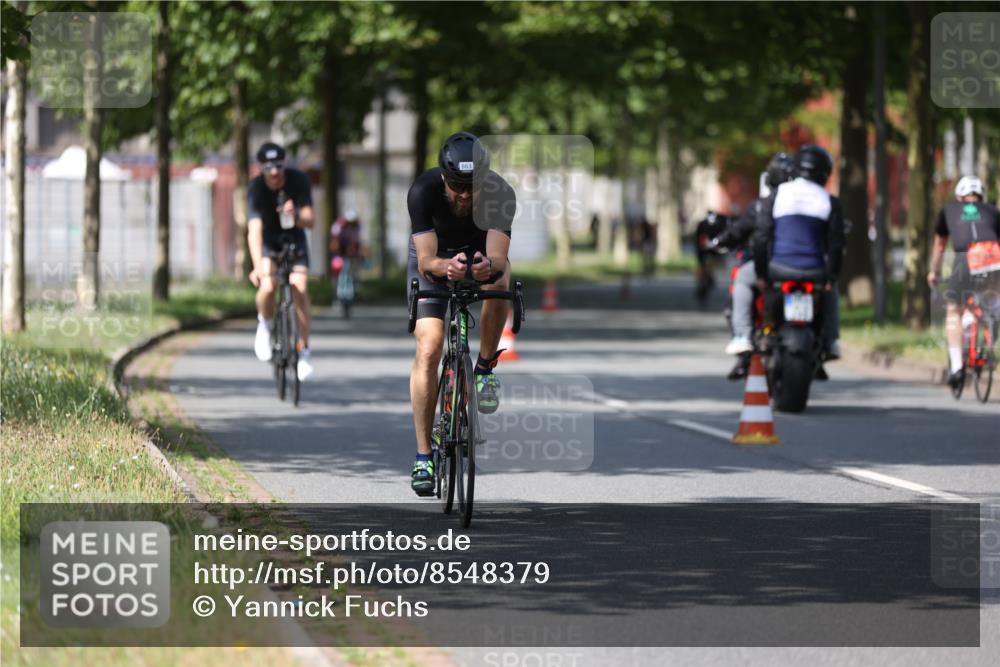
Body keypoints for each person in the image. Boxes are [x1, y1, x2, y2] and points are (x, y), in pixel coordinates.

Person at [406, 132, 516, 496]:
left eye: (472, 186)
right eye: (456, 186)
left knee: (501, 282)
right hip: (435, 257)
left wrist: (488, 266)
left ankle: (483, 368)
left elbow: (498, 257)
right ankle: (424, 456)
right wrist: (445, 266)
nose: (465, 195)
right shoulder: (423, 191)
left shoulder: (500, 193)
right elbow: (425, 260)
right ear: (443, 178)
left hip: (479, 253)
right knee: (429, 346)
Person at [752, 144, 845, 360]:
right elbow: (836, 244)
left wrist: (761, 273)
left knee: (766, 295)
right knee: (830, 293)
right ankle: (831, 341)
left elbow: (761, 236)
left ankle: (766, 331)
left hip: (779, 269)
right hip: (815, 271)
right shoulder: (829, 201)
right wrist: (831, 277)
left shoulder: (777, 195)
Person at [714, 152, 794, 377]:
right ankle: (830, 340)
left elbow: (747, 235)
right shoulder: (810, 203)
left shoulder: (762, 206)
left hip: (772, 266)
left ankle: (742, 335)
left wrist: (720, 241)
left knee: (741, 278)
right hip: (804, 266)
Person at [248, 142, 316, 381]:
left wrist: (294, 214)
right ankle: (265, 324)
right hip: (269, 240)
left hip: (294, 238)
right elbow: (254, 231)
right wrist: (257, 266)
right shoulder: (256, 188)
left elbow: (310, 220)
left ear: (284, 164)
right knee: (268, 285)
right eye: (269, 167)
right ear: (261, 168)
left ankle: (304, 351)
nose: (275, 172)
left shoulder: (299, 180)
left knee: (300, 289)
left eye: (278, 166)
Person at [928, 175, 1000, 389]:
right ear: (981, 197)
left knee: (953, 310)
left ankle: (957, 368)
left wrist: (934, 272)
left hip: (966, 258)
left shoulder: (949, 210)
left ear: (959, 197)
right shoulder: (992, 210)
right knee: (991, 298)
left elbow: (940, 246)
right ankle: (990, 322)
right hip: (994, 257)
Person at [329, 209, 366, 309]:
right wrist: (337, 254)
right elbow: (335, 242)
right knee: (340, 273)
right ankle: (339, 295)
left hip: (351, 252)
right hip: (340, 251)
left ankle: (352, 293)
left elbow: (355, 242)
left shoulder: (356, 227)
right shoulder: (338, 226)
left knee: (352, 272)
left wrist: (356, 253)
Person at [694, 211, 729, 304]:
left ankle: (706, 284)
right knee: (706, 271)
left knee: (708, 270)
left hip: (712, 253)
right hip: (706, 252)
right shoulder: (703, 224)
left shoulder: (719, 223)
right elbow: (698, 240)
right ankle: (705, 286)